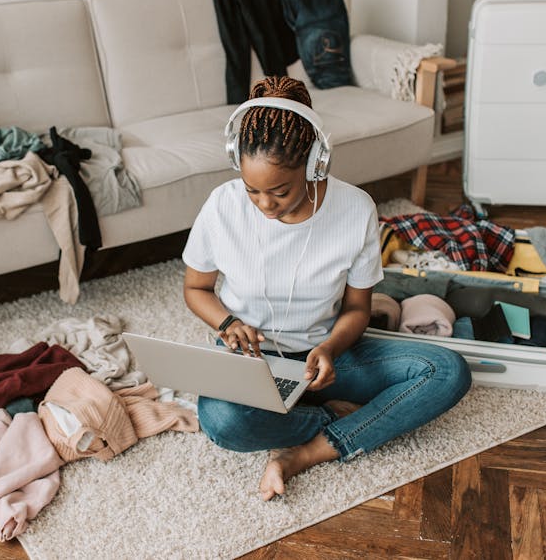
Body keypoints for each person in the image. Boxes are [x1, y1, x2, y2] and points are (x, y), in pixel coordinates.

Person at [182, 75, 472, 501]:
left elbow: (357, 307)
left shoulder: (355, 209)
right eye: (252, 191)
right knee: (222, 421)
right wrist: (228, 322)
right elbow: (196, 288)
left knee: (447, 372)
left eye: (279, 191)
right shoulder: (222, 206)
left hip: (328, 357)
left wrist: (331, 349)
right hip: (253, 361)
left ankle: (302, 454)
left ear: (315, 163)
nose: (264, 205)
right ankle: (333, 419)